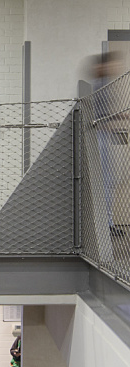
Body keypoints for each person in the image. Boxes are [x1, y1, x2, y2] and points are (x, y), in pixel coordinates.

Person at [91, 51, 126, 236]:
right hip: (100, 138)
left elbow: (104, 114)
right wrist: (112, 122)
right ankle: (107, 224)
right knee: (106, 181)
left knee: (109, 181)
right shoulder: (100, 85)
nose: (116, 67)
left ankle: (108, 223)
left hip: (102, 137)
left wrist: (122, 116)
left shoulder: (103, 85)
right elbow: (98, 117)